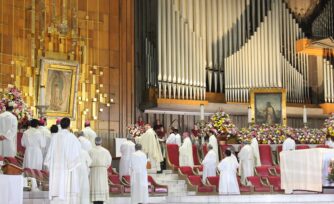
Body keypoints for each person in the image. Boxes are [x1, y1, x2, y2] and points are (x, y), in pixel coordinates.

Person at [44, 117, 82, 203]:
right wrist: (71, 163)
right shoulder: (72, 137)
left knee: (57, 184)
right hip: (66, 167)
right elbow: (77, 152)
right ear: (69, 125)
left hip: (56, 166)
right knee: (66, 187)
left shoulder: (55, 136)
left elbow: (50, 152)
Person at [89, 137, 112, 204]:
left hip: (94, 171)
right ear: (101, 142)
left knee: (95, 188)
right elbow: (109, 162)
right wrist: (104, 168)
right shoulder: (106, 151)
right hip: (102, 171)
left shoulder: (91, 151)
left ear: (95, 142)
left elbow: (88, 161)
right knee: (101, 187)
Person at [76, 132, 92, 204]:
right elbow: (90, 162)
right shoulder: (84, 152)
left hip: (75, 171)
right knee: (84, 186)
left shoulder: (74, 151)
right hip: (83, 170)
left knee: (76, 186)